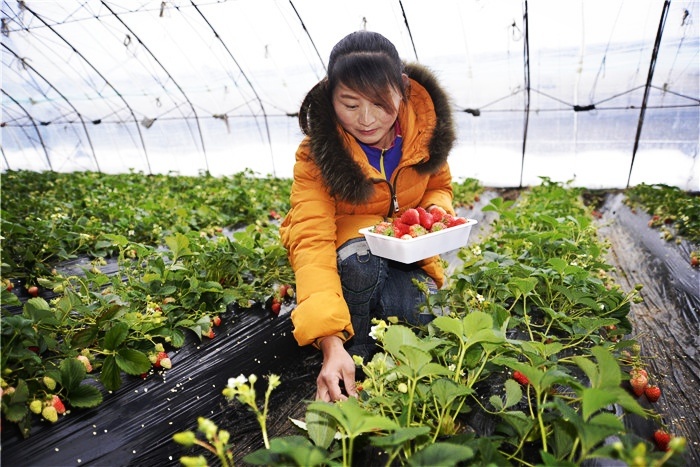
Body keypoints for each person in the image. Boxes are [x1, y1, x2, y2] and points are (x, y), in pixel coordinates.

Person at [279, 30, 456, 403]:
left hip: (406, 254)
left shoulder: (422, 134)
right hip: (351, 257)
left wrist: (437, 213)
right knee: (361, 260)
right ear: (331, 97)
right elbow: (311, 239)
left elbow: (439, 186)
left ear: (403, 89)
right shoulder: (317, 156)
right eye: (350, 104)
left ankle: (375, 321)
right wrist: (329, 342)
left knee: (423, 321)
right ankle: (353, 348)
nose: (366, 119)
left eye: (379, 102)